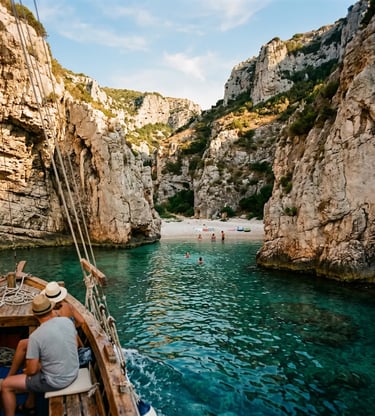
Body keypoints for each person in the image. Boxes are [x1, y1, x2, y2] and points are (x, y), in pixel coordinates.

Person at [1, 294, 79, 416]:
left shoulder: (36, 337)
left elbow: (32, 370)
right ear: (51, 309)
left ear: (35, 314)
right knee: (30, 352)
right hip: (73, 372)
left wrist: (27, 369)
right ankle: (29, 404)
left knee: (6, 385)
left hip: (56, 381)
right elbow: (74, 345)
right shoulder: (67, 321)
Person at [6, 282, 84, 381]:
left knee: (23, 345)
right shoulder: (69, 306)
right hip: (73, 342)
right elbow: (81, 321)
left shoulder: (52, 314)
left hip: (57, 344)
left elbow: (49, 333)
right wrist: (72, 328)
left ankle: (10, 376)